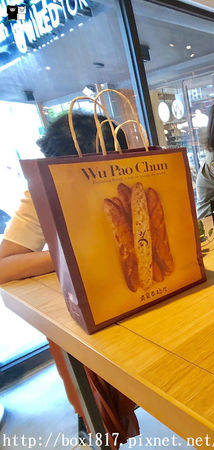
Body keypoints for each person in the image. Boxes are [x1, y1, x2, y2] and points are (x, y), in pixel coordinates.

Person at [0, 112, 139, 447]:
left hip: (136, 296)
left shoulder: (130, 177)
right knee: (99, 405)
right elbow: (4, 266)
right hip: (82, 315)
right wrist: (72, 253)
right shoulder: (42, 191)